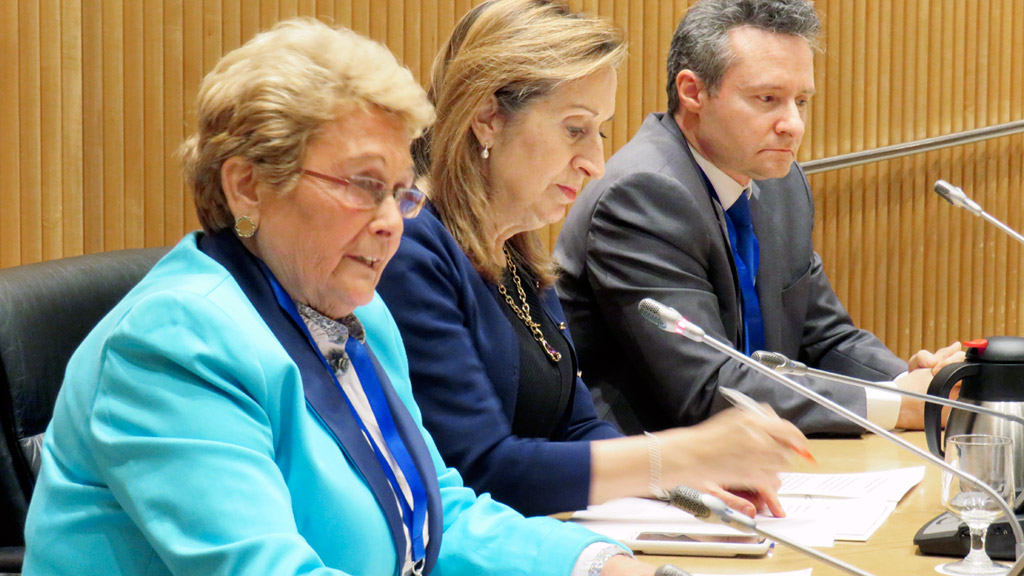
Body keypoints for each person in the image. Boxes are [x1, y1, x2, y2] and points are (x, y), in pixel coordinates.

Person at [21, 18, 669, 576]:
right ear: (248, 186)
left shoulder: (359, 316)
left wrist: (595, 562)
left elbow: (439, 512)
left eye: (399, 191)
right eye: (361, 185)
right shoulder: (174, 343)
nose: (391, 221)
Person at [369, 0, 807, 522]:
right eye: (575, 129)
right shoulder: (411, 248)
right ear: (487, 118)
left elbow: (577, 428)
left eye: (598, 132)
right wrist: (680, 455)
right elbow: (482, 469)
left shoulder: (517, 252)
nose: (596, 164)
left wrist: (681, 482)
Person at [555, 0, 962, 437]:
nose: (793, 124)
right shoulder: (641, 195)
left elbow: (827, 339)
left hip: (758, 459)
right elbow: (709, 389)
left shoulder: (781, 184)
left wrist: (922, 386)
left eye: (801, 101)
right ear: (693, 92)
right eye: (768, 99)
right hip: (654, 473)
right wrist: (896, 404)